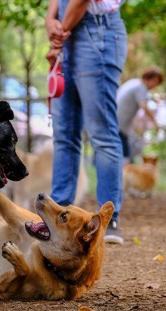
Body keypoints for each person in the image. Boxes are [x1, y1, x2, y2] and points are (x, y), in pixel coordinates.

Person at [45, 0, 127, 245]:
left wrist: (58, 35)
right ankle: (58, 215)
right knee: (64, 134)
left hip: (97, 31)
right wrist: (50, 20)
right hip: (67, 32)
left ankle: (107, 218)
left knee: (101, 132)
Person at [117, 67, 164, 163]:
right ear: (153, 79)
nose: (155, 86)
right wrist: (155, 122)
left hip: (117, 123)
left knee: (123, 152)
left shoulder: (134, 82)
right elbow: (144, 106)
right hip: (119, 125)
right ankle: (122, 176)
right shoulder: (141, 87)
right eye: (156, 83)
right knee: (125, 156)